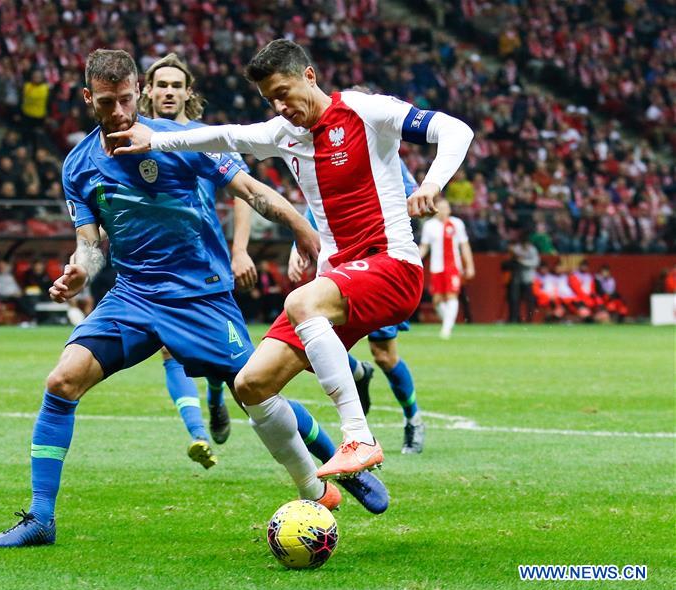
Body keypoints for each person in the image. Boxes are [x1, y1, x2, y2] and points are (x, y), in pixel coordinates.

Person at [0, 49, 372, 548]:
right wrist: (80, 272)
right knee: (61, 381)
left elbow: (250, 190)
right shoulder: (79, 166)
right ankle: (41, 518)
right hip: (133, 296)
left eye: (127, 99)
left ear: (137, 92)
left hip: (200, 297)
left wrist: (300, 227)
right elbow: (90, 243)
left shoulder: (181, 141)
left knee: (255, 387)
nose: (121, 112)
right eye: (108, 103)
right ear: (89, 99)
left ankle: (340, 460)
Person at [111, 39, 472, 501]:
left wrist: (431, 184)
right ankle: (316, 492)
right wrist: (156, 139)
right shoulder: (283, 133)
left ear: (310, 77)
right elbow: (225, 136)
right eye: (270, 101)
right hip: (341, 277)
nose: (281, 107)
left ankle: (358, 436)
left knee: (300, 301)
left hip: (391, 266)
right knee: (251, 385)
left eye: (284, 92)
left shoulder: (363, 109)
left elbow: (456, 130)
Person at [138, 53, 256, 467]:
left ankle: (216, 395)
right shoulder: (134, 137)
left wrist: (240, 249)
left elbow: (243, 192)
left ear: (189, 93)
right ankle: (197, 434)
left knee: (226, 362)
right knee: (170, 350)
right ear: (147, 91)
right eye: (161, 85)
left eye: (176, 86)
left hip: (208, 264)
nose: (168, 92)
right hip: (159, 266)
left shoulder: (207, 137)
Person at [287, 158, 425, 453]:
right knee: (314, 347)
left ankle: (413, 419)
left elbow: (412, 195)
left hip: (377, 266)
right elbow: (317, 202)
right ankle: (359, 373)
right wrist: (295, 247)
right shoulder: (328, 152)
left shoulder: (381, 152)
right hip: (339, 269)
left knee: (385, 356)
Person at [419, 199, 475, 339]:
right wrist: (413, 261)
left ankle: (446, 329)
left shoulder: (457, 223)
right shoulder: (429, 226)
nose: (443, 211)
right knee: (437, 300)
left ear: (449, 210)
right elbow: (424, 247)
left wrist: (470, 265)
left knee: (451, 295)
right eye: (440, 208)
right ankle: (448, 321)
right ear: (435, 209)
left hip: (453, 266)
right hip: (436, 267)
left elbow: (464, 246)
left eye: (446, 208)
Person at [505, 232, 539, 323]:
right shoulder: (517, 249)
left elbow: (535, 262)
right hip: (517, 278)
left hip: (528, 279)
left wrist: (522, 262)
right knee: (515, 300)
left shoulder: (532, 249)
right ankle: (515, 318)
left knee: (529, 300)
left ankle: (530, 319)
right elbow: (511, 259)